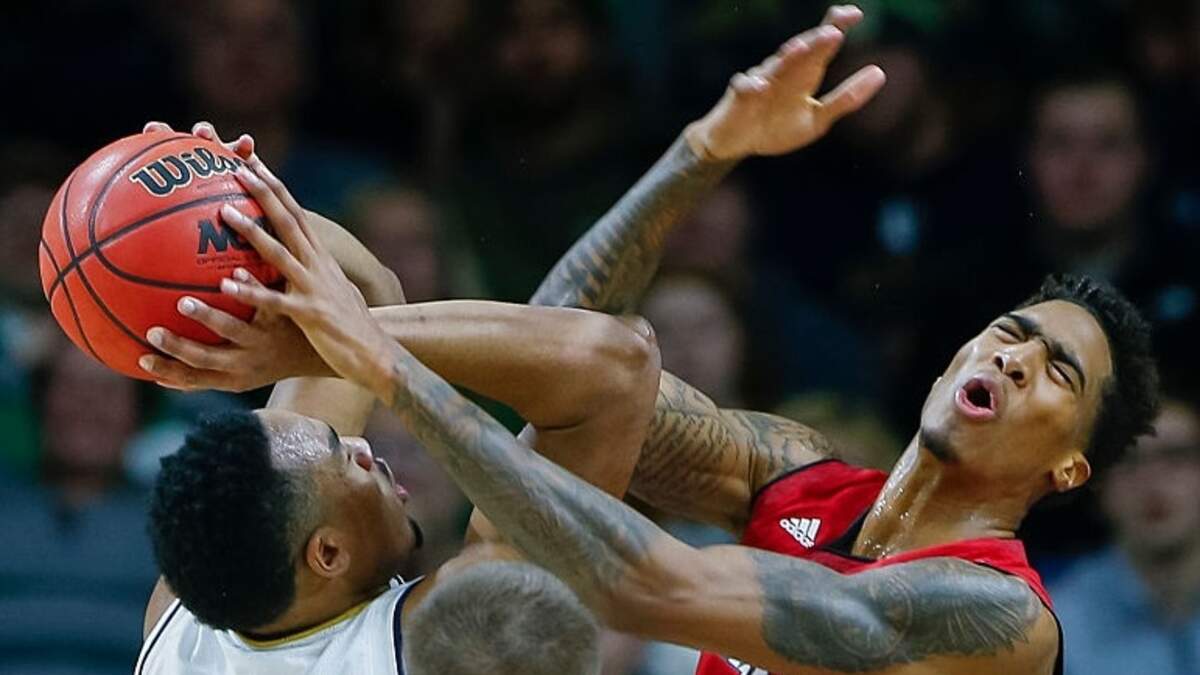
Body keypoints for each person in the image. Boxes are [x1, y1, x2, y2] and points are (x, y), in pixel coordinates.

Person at [206, 7, 1161, 675]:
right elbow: (567, 373)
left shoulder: (997, 612)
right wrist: (704, 151)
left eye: (1056, 371)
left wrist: (368, 353)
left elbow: (644, 584)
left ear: (1071, 465)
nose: (1012, 357)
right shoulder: (798, 474)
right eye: (1009, 333)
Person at [133, 125, 658, 674]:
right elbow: (619, 365)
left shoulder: (189, 620)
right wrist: (333, 341)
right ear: (328, 553)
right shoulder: (456, 641)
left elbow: (367, 288)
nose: (364, 447)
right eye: (345, 459)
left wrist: (223, 204)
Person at [1050, 398, 1200, 675]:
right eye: (1128, 461)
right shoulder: (1056, 628)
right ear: (1098, 484)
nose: (1153, 483)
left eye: (1175, 456)